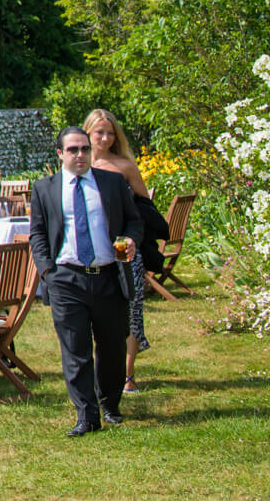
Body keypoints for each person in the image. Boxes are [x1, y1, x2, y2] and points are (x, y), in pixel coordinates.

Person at [30, 126, 143, 436]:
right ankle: (87, 415)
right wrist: (48, 272)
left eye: (84, 149)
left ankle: (110, 403)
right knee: (75, 349)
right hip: (66, 278)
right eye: (73, 150)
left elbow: (134, 220)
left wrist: (132, 239)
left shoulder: (112, 182)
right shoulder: (45, 189)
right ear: (60, 154)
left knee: (112, 347)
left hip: (108, 275)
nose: (80, 155)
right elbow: (38, 233)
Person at [85, 107, 155, 393]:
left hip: (123, 250)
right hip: (89, 253)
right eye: (99, 132)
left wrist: (136, 240)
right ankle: (96, 371)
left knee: (131, 311)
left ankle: (127, 374)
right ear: (87, 132)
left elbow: (144, 208)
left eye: (111, 133)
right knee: (93, 313)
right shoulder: (77, 165)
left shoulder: (124, 166)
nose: (105, 138)